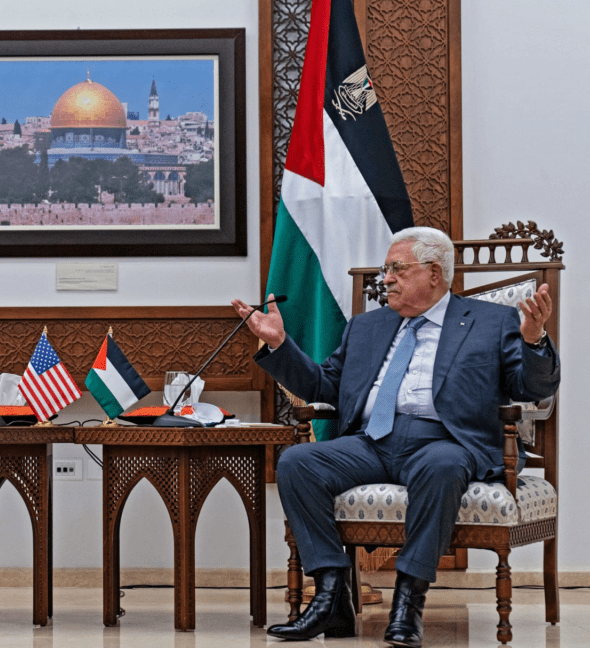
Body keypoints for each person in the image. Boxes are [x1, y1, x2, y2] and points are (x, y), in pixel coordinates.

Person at [233, 226, 559, 647]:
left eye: (397, 269)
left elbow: (531, 388)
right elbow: (323, 386)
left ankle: (408, 602)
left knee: (443, 466)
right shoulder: (366, 327)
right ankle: (331, 595)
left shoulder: (491, 321)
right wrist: (280, 344)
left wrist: (534, 341)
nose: (385, 278)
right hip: (371, 442)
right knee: (297, 462)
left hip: (444, 442)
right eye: (386, 269)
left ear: (434, 273)